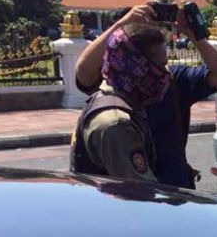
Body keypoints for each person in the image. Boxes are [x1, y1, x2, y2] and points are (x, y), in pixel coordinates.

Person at [75, 1, 217, 189]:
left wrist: (193, 35)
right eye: (158, 65)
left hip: (177, 192)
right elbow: (83, 72)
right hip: (152, 199)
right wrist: (124, 23)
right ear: (135, 66)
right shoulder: (114, 118)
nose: (164, 72)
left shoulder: (173, 82)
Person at [70, 23, 168, 182]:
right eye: (161, 66)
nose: (167, 73)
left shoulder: (109, 99)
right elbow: (141, 191)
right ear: (138, 68)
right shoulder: (116, 124)